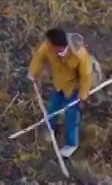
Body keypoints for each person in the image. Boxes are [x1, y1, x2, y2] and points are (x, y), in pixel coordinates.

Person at [28, 27, 97, 157]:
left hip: (74, 88)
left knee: (72, 115)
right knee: (52, 107)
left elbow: (86, 76)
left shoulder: (80, 54)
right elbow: (39, 56)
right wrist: (33, 73)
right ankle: (50, 129)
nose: (47, 46)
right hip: (59, 84)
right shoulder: (48, 46)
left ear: (59, 47)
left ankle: (72, 144)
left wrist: (83, 96)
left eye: (50, 45)